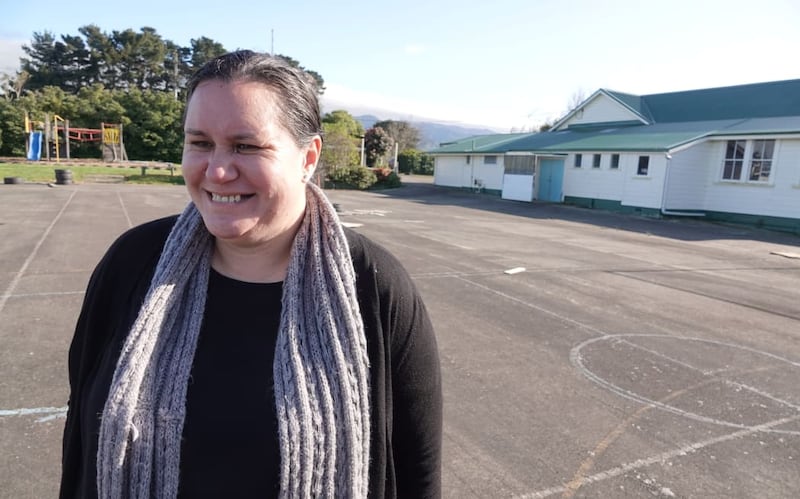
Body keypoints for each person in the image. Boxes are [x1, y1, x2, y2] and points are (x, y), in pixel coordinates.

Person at [59, 50, 442, 498]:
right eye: (200, 143)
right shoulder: (133, 265)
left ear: (307, 157)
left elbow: (419, 472)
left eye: (247, 146)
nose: (218, 170)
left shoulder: (374, 287)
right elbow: (80, 437)